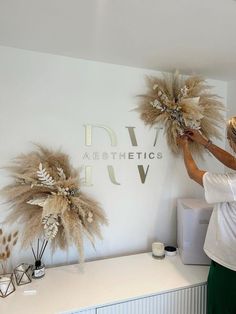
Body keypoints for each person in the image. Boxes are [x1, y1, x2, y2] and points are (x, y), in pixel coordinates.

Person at [177, 116, 236, 314]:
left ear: (232, 142)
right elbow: (233, 162)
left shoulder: (232, 184)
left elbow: (194, 173)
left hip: (230, 268)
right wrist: (205, 143)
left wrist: (184, 146)